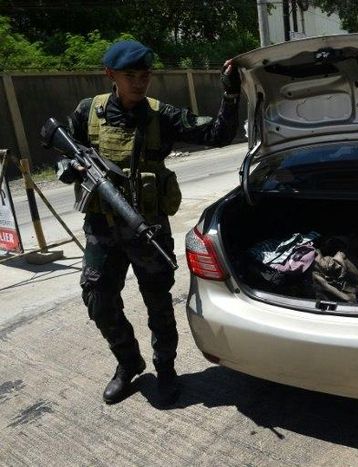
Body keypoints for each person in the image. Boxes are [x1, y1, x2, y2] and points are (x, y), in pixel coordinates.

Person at [55, 39, 241, 406]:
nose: (139, 83)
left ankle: (166, 369)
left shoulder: (161, 115)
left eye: (144, 75)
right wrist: (70, 168)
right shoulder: (86, 112)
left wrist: (230, 94)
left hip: (148, 229)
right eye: (130, 76)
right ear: (110, 75)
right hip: (102, 230)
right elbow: (64, 155)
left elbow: (217, 133)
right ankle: (128, 363)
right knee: (98, 299)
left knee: (158, 304)